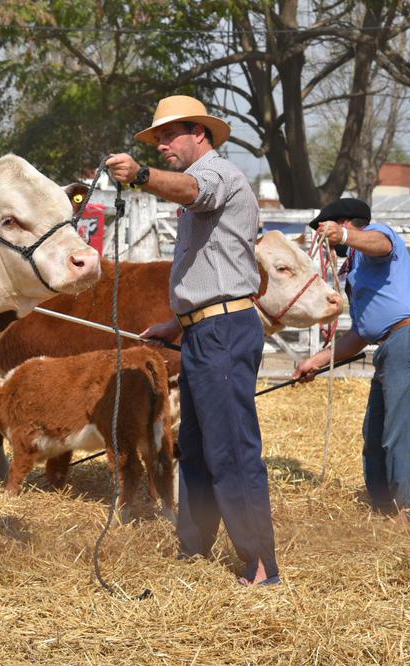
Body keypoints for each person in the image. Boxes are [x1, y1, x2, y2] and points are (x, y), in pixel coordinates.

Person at [106, 95, 279, 586]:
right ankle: (194, 551)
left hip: (224, 330)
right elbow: (214, 268)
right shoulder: (204, 183)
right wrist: (179, 325)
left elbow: (188, 190)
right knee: (198, 448)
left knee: (232, 449)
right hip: (206, 329)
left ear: (199, 134)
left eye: (168, 135)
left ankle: (261, 564)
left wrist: (140, 176)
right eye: (157, 139)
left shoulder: (217, 175)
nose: (162, 146)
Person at [294, 198, 410, 524]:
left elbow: (380, 244)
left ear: (346, 223)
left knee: (401, 430)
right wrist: (316, 361)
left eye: (328, 229)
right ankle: (382, 507)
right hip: (393, 346)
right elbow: (360, 333)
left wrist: (345, 237)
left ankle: (407, 512)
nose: (327, 239)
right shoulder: (357, 271)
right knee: (375, 432)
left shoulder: (376, 236)